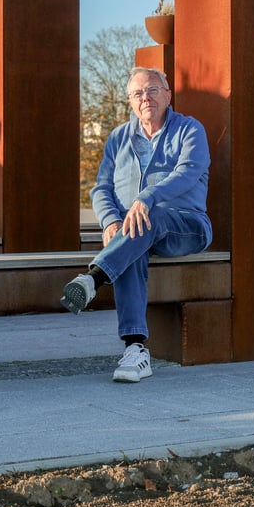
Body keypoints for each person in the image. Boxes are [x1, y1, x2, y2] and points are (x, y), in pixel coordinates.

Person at [61, 67, 212, 383]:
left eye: (153, 90)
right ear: (130, 101)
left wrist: (147, 198)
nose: (146, 98)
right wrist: (111, 221)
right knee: (134, 236)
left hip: (187, 227)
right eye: (138, 93)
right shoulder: (118, 137)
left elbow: (186, 173)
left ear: (168, 95)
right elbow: (101, 188)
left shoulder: (190, 131)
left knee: (147, 216)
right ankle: (135, 350)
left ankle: (93, 278)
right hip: (136, 231)